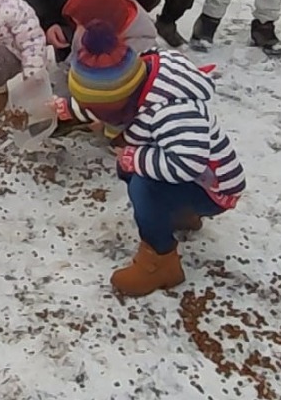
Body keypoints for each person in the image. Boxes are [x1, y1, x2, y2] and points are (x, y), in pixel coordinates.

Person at [66, 19, 243, 297]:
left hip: (211, 186)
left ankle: (160, 260)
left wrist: (134, 158)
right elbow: (104, 99)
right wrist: (70, 108)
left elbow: (188, 162)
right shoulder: (136, 74)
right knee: (133, 170)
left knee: (143, 185)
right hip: (190, 174)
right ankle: (177, 213)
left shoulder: (172, 112)